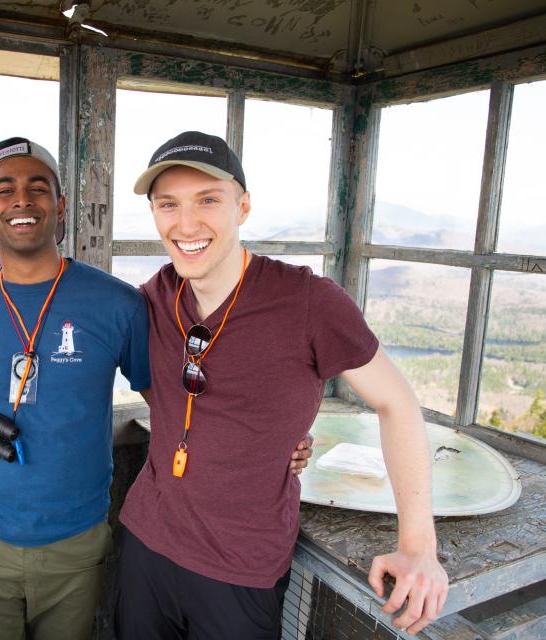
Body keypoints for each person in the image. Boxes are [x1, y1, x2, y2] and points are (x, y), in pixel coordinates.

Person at [0, 136, 313, 640]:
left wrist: (272, 440)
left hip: (77, 545)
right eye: (5, 190)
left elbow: (177, 405)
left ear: (61, 204)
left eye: (38, 187)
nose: (22, 200)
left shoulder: (118, 304)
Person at [114, 131, 450, 639]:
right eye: (168, 205)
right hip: (146, 545)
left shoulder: (309, 301)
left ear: (242, 206)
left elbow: (397, 402)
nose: (186, 224)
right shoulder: (152, 298)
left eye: (208, 200)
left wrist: (419, 548)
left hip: (241, 565)